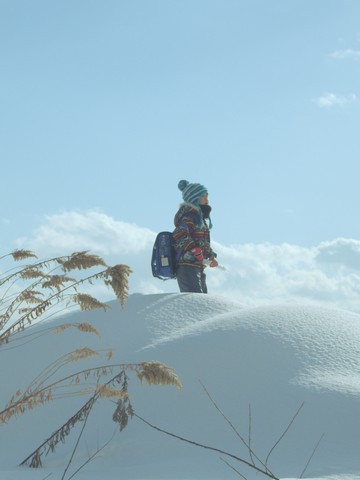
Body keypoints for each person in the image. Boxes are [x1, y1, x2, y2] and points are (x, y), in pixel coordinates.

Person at [172, 179, 218, 293]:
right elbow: (179, 234)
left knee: (202, 300)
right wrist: (193, 249)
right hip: (186, 265)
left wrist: (211, 256)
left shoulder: (200, 218)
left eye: (207, 196)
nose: (207, 200)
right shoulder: (189, 217)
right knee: (195, 300)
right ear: (194, 198)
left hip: (198, 265)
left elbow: (202, 242)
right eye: (203, 196)